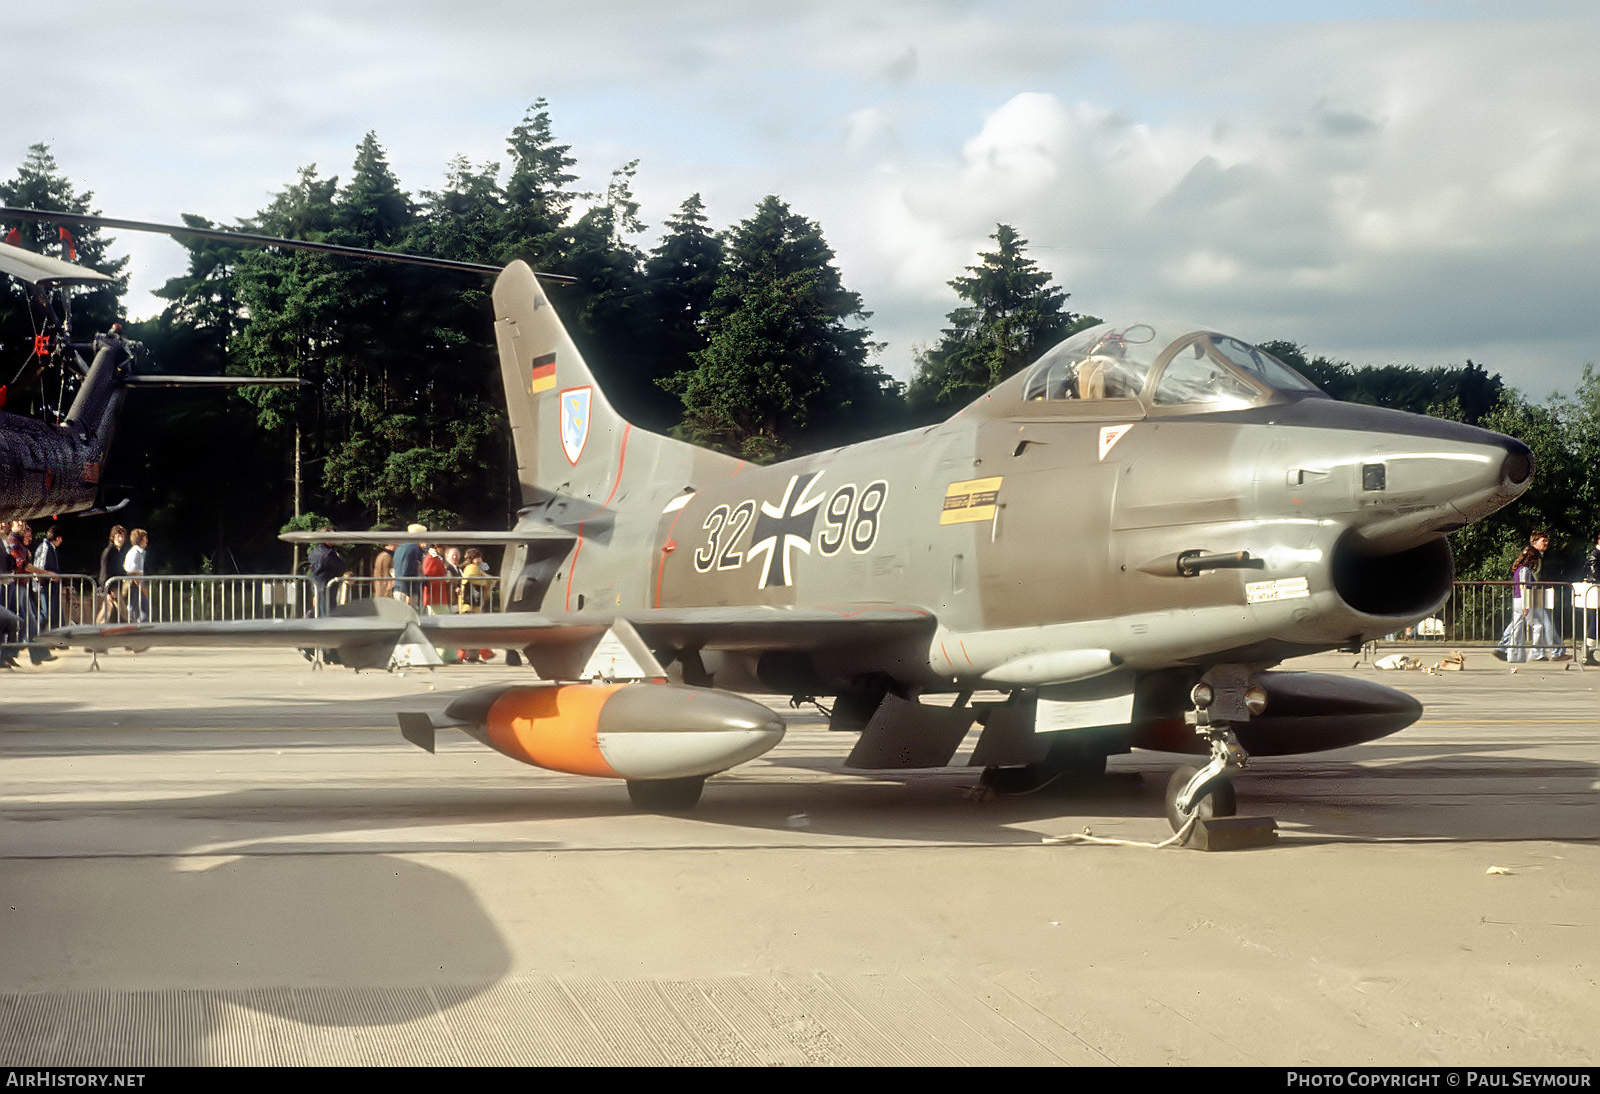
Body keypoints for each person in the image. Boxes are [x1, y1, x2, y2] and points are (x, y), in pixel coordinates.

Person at [1497, 531, 1567, 663]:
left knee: (1524, 622)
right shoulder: (1533, 558)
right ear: (1534, 543)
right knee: (1543, 622)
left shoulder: (1536, 557)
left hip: (1534, 594)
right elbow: (1535, 578)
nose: (1546, 543)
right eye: (1543, 540)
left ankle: (1505, 647)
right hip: (1535, 594)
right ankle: (1553, 651)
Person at [457, 547, 495, 663]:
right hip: (470, 604)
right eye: (477, 557)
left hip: (472, 604)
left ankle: (473, 656)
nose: (480, 560)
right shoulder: (472, 569)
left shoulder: (474, 568)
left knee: (473, 632)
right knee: (471, 632)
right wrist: (488, 580)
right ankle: (469, 656)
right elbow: (482, 580)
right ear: (472, 558)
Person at [306, 529, 345, 618]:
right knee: (328, 613)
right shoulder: (329, 554)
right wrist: (339, 558)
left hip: (318, 585)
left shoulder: (313, 552)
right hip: (327, 586)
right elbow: (341, 567)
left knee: (320, 611)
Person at [96, 525, 126, 624]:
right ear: (113, 538)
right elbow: (105, 572)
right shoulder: (110, 551)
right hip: (111, 586)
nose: (121, 539)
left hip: (113, 585)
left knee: (108, 607)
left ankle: (98, 625)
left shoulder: (116, 551)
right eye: (118, 537)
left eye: (122, 537)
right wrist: (107, 590)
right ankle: (131, 623)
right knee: (113, 607)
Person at [393, 525, 425, 606]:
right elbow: (407, 572)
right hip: (406, 591)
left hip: (398, 587)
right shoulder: (413, 548)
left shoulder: (401, 547)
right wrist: (409, 594)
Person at [123, 528, 149, 623]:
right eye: (144, 538)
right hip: (135, 585)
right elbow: (133, 573)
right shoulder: (135, 553)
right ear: (139, 540)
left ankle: (138, 626)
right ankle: (131, 627)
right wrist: (142, 588)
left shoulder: (139, 553)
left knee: (142, 609)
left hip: (138, 585)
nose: (146, 541)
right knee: (133, 609)